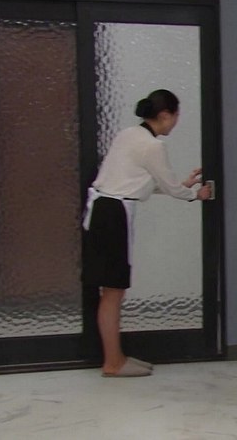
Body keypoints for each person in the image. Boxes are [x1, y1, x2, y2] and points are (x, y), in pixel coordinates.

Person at [82, 89, 211, 377]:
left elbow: (139, 183)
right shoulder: (153, 146)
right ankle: (113, 363)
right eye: (176, 116)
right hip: (114, 215)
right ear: (165, 115)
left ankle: (116, 357)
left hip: (102, 211)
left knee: (110, 290)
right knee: (113, 291)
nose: (176, 122)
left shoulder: (128, 135)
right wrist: (195, 194)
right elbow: (169, 188)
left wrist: (183, 186)